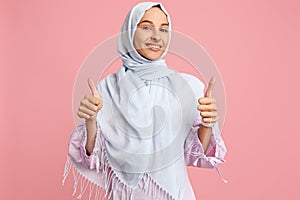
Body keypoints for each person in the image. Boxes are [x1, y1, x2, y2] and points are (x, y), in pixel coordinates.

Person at [63, 2, 227, 200]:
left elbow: (194, 157)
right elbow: (93, 160)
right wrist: (91, 122)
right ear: (130, 31)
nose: (157, 36)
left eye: (164, 29)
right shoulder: (107, 89)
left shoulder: (187, 86)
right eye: (147, 27)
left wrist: (207, 124)